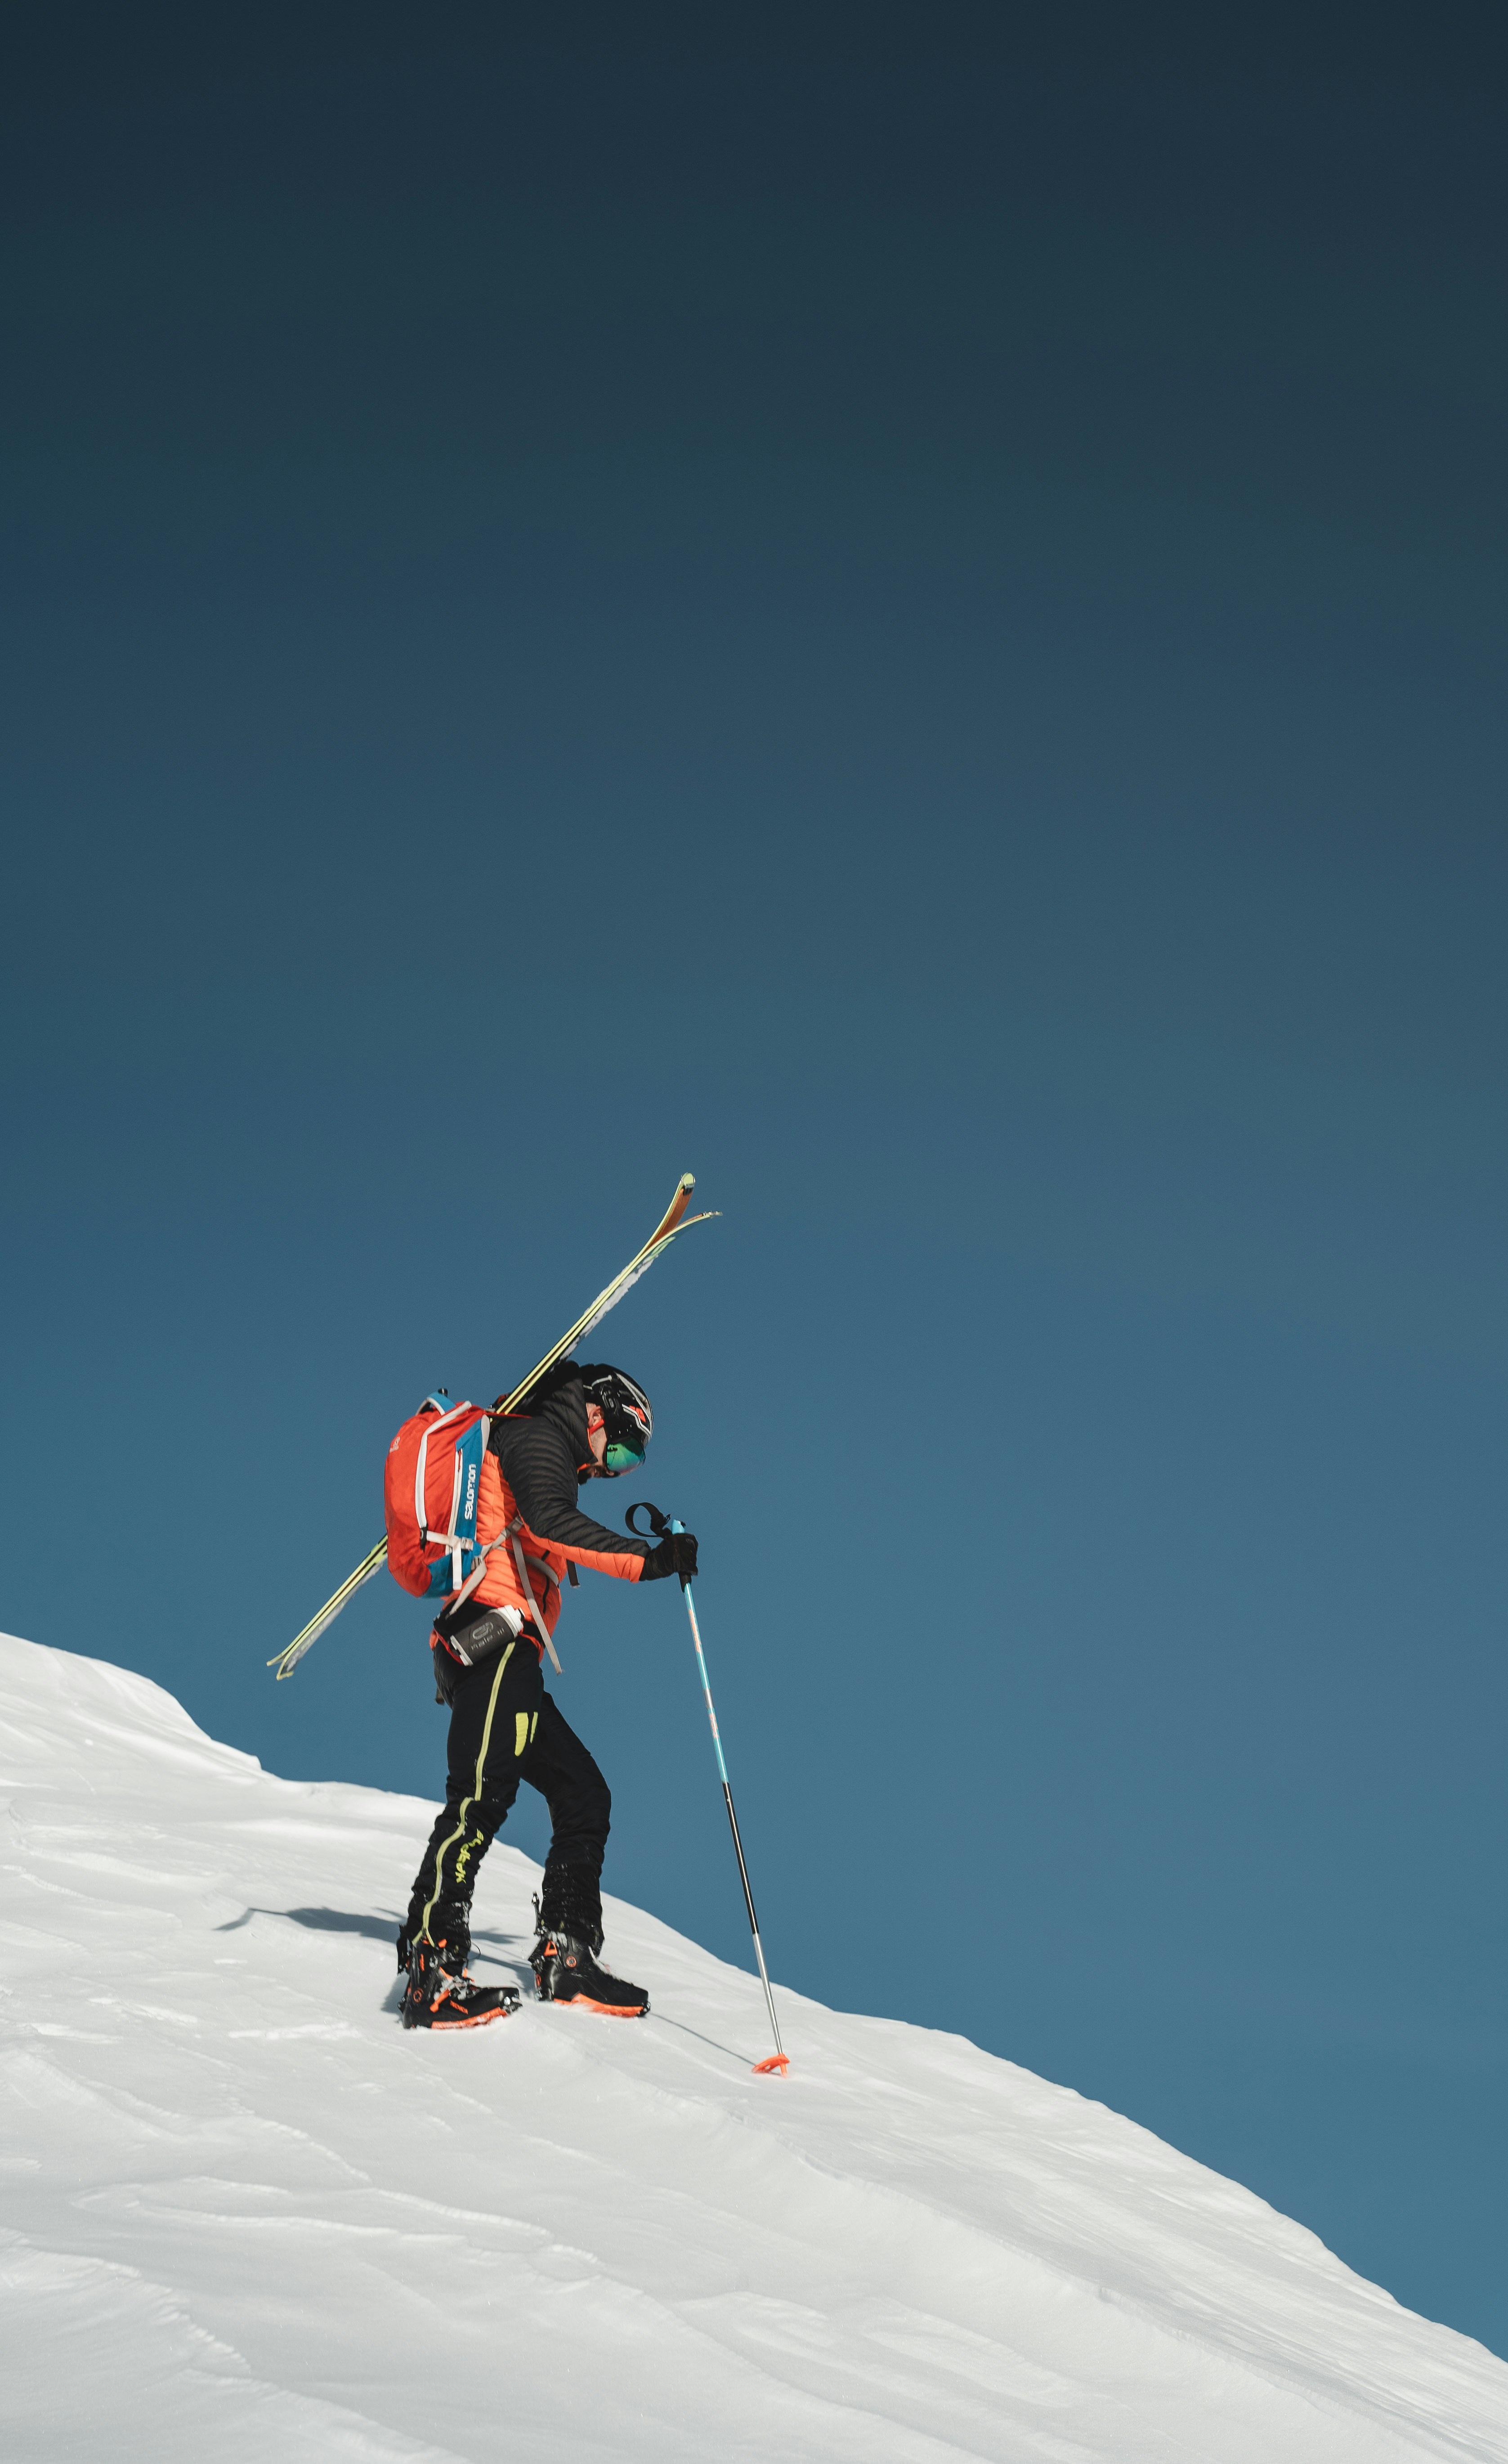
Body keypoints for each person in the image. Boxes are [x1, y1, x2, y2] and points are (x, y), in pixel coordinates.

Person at [398, 1360, 698, 2030]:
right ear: (597, 1414)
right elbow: (553, 1521)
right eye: (621, 1448)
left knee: (583, 1794)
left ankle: (567, 1954)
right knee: (482, 1792)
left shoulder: (536, 1444)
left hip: (508, 1648)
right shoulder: (535, 1438)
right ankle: (431, 1965)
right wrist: (649, 1560)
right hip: (493, 1639)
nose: (616, 1468)